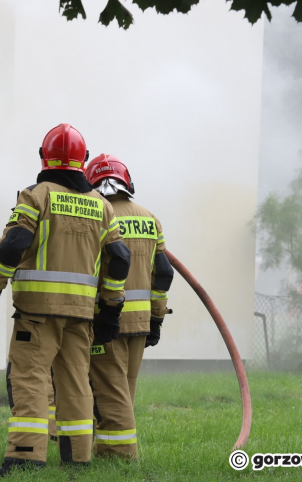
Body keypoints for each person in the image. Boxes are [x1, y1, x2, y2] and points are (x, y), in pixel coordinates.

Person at [0, 124, 131, 478]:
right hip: (81, 315)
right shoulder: (101, 205)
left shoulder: (36, 196)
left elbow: (13, 246)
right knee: (76, 381)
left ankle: (25, 456)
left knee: (30, 378)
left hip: (37, 313)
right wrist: (111, 308)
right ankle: (78, 456)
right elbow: (120, 258)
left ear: (43, 157)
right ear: (84, 160)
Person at [84, 154, 174, 460]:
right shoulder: (150, 218)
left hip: (107, 317)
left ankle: (117, 454)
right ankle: (108, 448)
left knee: (109, 390)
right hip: (140, 321)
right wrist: (157, 318)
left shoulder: (97, 213)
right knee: (125, 390)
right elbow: (163, 273)